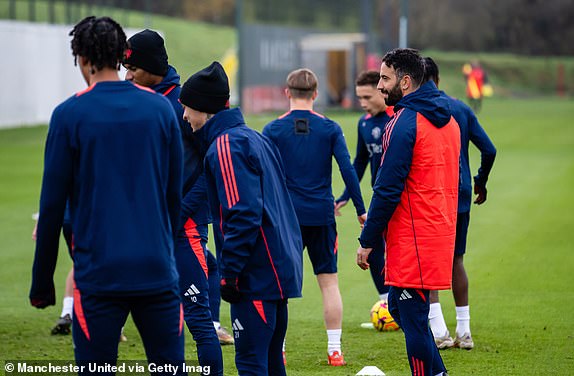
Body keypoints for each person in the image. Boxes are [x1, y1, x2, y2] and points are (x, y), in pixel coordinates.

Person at [30, 16, 185, 373]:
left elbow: (52, 207)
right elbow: (173, 195)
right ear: (121, 56)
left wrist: (42, 285)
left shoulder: (68, 115)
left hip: (99, 276)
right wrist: (165, 250)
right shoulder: (161, 109)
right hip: (157, 270)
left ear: (82, 59)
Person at [179, 61, 303, 375]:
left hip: (255, 278)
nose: (184, 116)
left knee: (251, 364)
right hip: (277, 275)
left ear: (205, 110)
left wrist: (229, 275)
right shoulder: (254, 138)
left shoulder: (225, 146)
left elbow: (243, 214)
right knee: (273, 364)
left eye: (187, 108)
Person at [123, 29, 224, 372]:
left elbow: (211, 168)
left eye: (132, 67)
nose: (127, 74)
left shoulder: (183, 104)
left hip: (185, 227)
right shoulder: (137, 99)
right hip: (150, 229)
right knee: (161, 320)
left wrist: (179, 212)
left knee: (198, 318)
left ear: (151, 66)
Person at [356, 48, 460, 376]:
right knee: (399, 309)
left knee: (412, 318)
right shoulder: (450, 119)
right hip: (439, 228)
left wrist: (367, 240)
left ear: (405, 81)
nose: (380, 86)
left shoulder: (402, 123)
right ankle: (439, 372)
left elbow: (386, 189)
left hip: (413, 234)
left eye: (385, 79)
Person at [263, 68, 367, 366]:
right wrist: (360, 209)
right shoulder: (330, 128)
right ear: (316, 94)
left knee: (279, 287)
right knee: (329, 283)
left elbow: (264, 175)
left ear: (287, 92)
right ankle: (334, 350)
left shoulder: (273, 130)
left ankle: (278, 349)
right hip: (322, 215)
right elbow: (348, 170)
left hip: (286, 220)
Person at [424, 56, 497, 350]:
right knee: (456, 260)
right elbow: (489, 149)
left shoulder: (418, 110)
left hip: (431, 196)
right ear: (438, 80)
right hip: (461, 194)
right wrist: (480, 180)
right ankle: (464, 332)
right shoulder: (461, 108)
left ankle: (439, 331)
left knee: (429, 262)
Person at [334, 70, 394, 304]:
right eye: (359, 98)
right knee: (372, 246)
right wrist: (345, 196)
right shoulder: (364, 123)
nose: (362, 103)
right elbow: (360, 161)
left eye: (367, 97)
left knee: (399, 251)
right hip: (379, 198)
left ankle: (416, 307)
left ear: (382, 91)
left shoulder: (397, 118)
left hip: (402, 198)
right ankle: (386, 303)